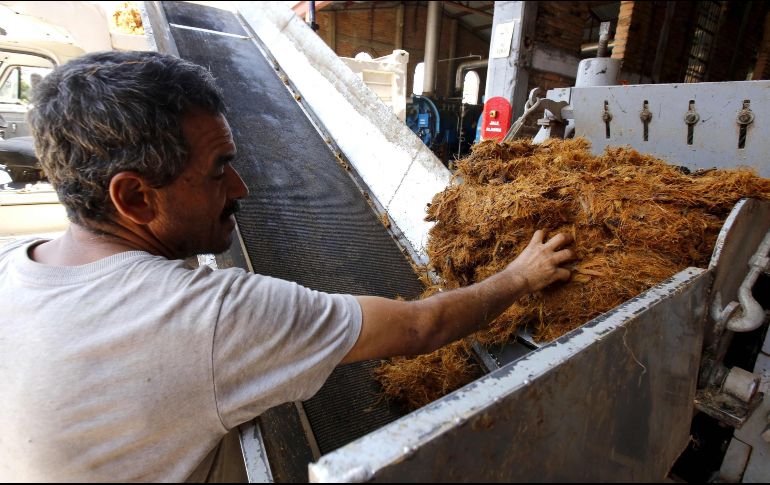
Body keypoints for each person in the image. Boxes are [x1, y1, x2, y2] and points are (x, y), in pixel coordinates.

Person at [0, 51, 575, 482]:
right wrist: (522, 275)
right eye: (220, 168)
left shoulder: (10, 268)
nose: (242, 187)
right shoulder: (209, 315)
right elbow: (423, 327)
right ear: (135, 199)